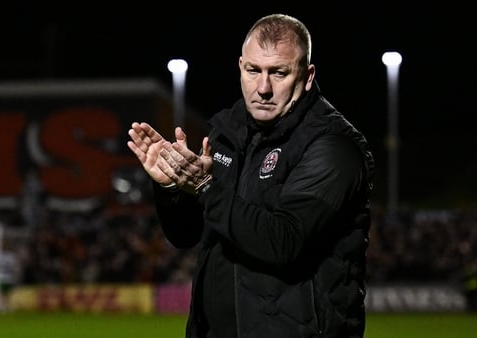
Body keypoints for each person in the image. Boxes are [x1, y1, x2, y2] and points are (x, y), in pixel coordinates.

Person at [127, 13, 375, 338]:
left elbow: (283, 242)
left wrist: (204, 187)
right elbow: (187, 235)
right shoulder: (227, 133)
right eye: (253, 70)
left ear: (308, 75)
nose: (264, 88)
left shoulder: (332, 147)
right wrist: (172, 186)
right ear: (240, 67)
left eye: (279, 73)